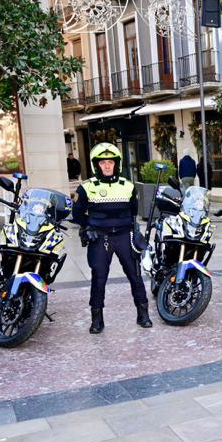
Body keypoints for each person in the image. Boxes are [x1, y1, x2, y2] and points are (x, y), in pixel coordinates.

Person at [72, 143, 151, 334]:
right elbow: (77, 213)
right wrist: (88, 226)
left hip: (124, 236)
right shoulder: (86, 187)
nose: (107, 166)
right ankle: (97, 319)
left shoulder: (128, 186)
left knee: (135, 276)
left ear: (117, 164)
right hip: (100, 238)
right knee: (99, 279)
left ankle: (143, 315)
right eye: (103, 162)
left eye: (110, 162)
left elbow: (133, 211)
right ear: (96, 165)